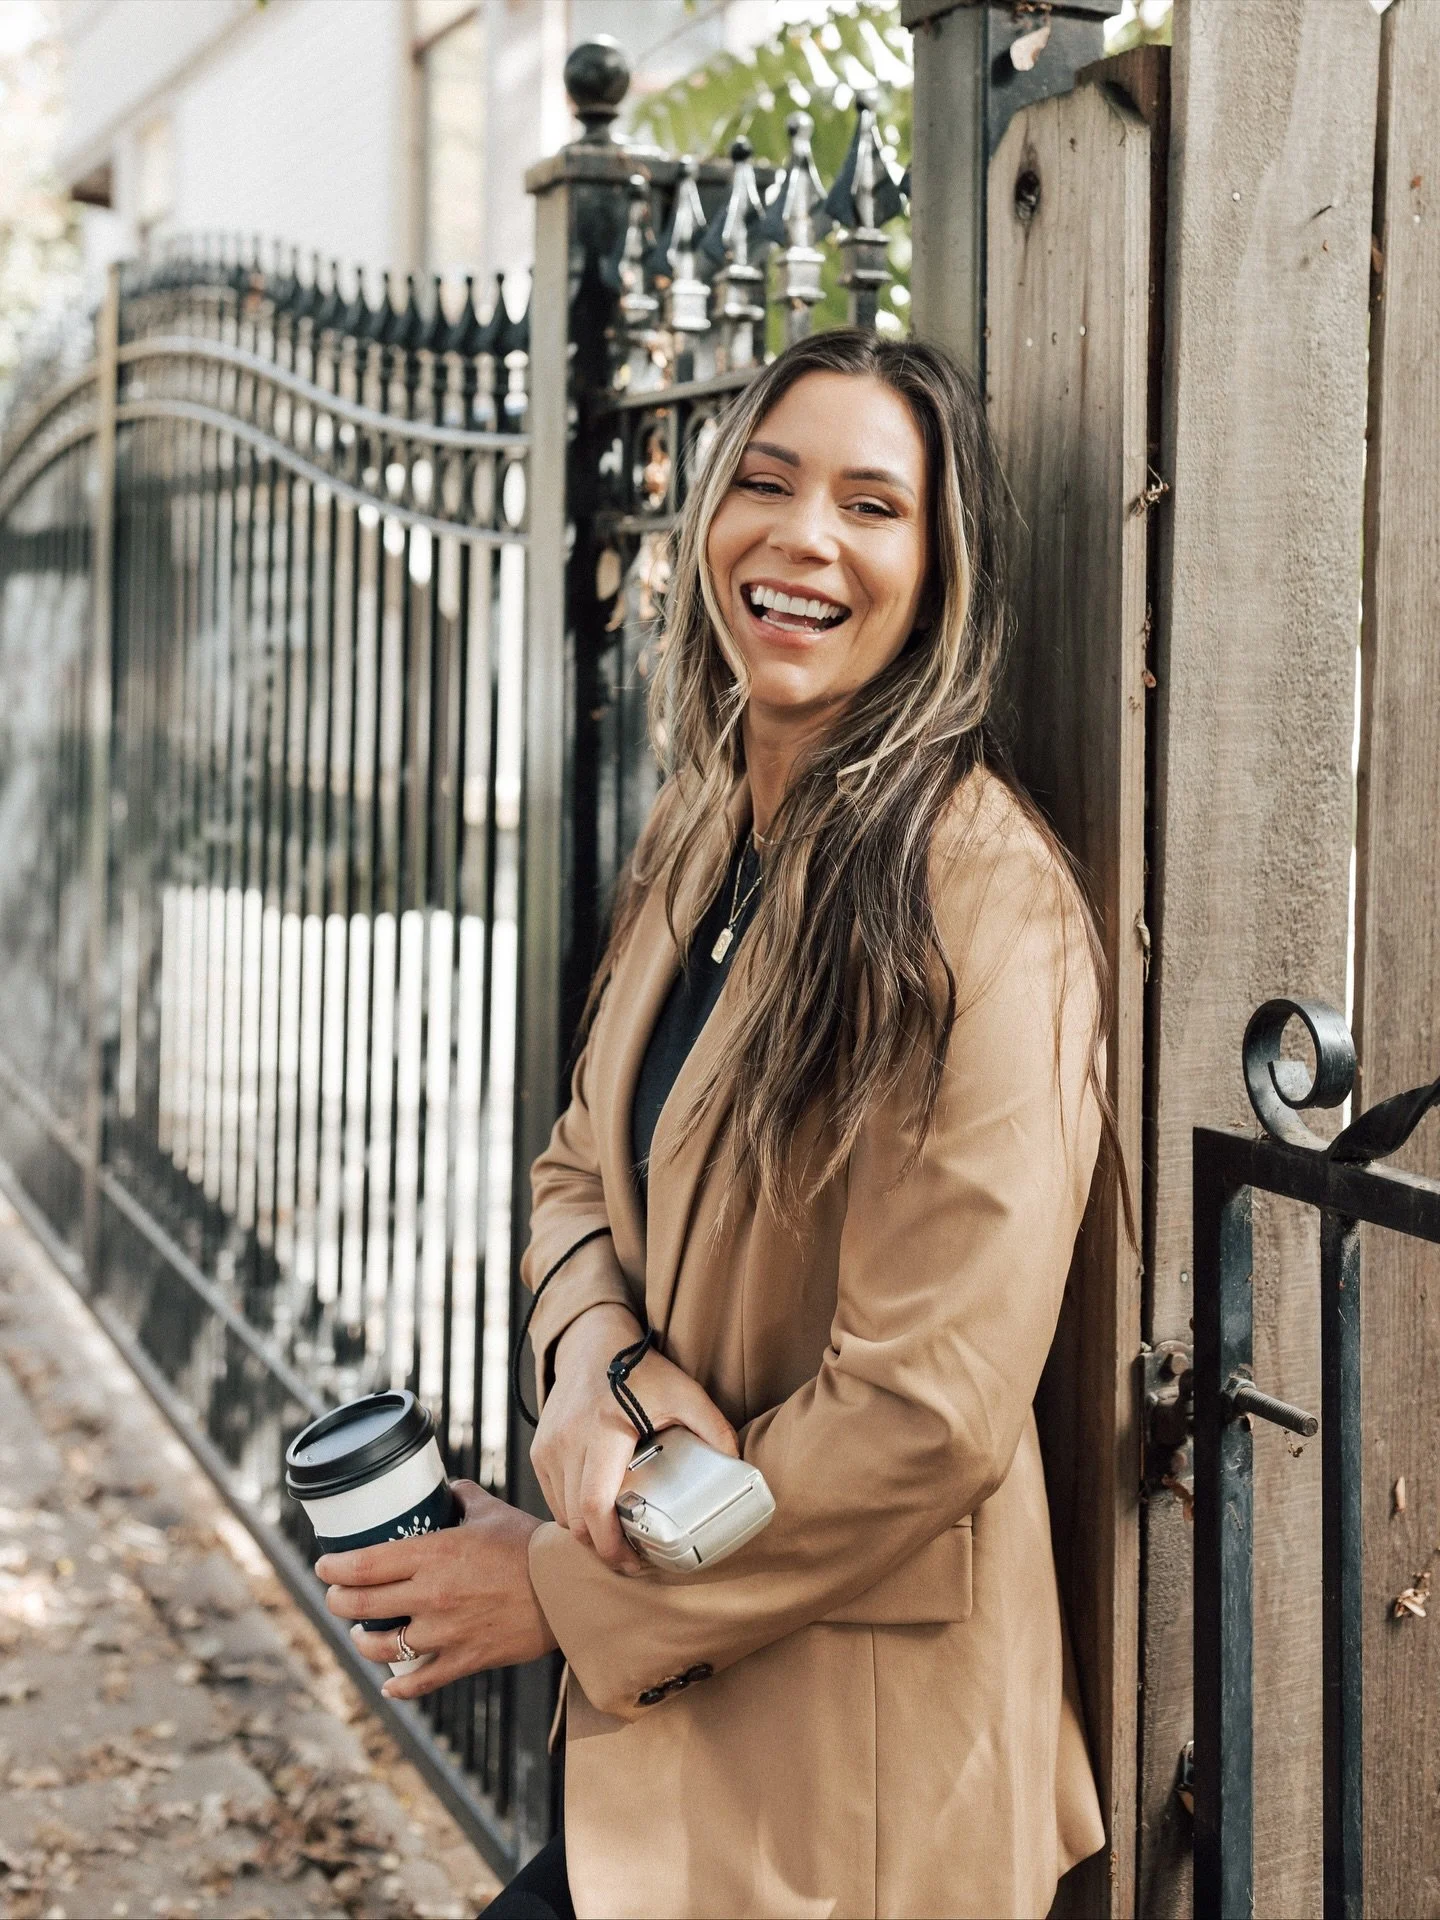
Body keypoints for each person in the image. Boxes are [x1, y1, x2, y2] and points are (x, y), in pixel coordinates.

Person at [316, 328, 1126, 1919]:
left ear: (943, 569)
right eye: (765, 481)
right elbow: (573, 1172)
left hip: (854, 1787)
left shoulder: (985, 895)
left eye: (872, 504)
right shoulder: (710, 831)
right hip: (668, 1756)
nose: (803, 535)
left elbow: (929, 1412)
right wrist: (601, 1370)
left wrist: (553, 1589)